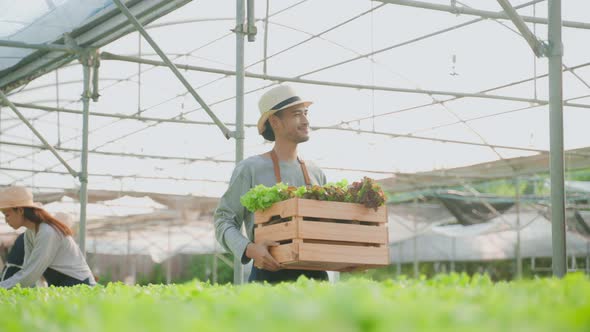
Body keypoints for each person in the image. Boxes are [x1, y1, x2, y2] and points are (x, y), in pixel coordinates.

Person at [214, 84, 329, 283]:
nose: (305, 121)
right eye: (296, 114)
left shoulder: (316, 173)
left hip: (317, 277)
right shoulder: (250, 169)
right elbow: (223, 220)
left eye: (306, 113)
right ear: (275, 121)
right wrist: (250, 249)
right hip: (269, 275)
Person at [0, 186, 95, 288]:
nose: (6, 220)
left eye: (7, 215)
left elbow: (32, 272)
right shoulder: (29, 233)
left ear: (20, 210)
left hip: (79, 283)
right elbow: (27, 268)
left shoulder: (47, 232)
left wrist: (2, 287)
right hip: (60, 283)